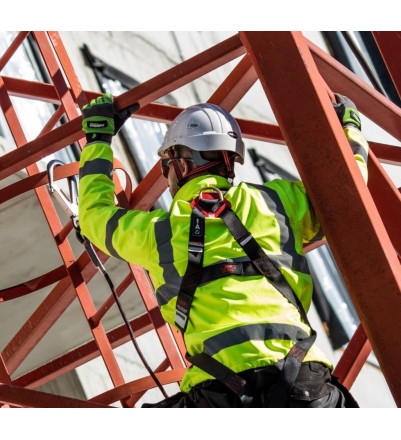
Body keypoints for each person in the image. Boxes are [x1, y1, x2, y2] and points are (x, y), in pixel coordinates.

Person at [78, 93, 368, 408]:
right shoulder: (279, 202)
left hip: (220, 394)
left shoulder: (159, 233)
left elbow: (94, 217)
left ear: (181, 163)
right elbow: (348, 191)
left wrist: (98, 139)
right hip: (303, 383)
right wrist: (349, 128)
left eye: (166, 167)